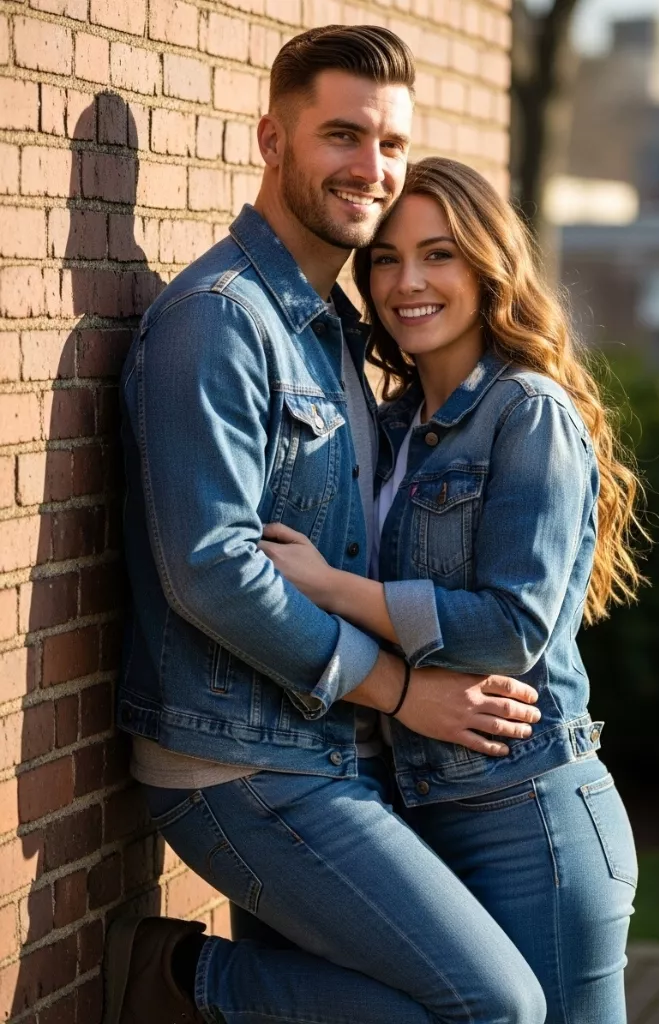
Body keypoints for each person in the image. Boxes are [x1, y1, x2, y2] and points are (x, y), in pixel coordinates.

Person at [106, 26, 548, 1024]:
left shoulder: (336, 328)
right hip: (239, 764)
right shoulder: (219, 318)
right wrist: (400, 689)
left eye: (391, 143)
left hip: (322, 751)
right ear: (272, 139)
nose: (373, 169)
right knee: (498, 1007)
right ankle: (177, 988)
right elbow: (213, 568)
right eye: (342, 136)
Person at [259, 156, 645, 1023]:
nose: (408, 282)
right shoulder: (389, 427)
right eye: (387, 259)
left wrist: (333, 588)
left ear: (487, 265)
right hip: (420, 801)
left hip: (531, 818)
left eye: (439, 255)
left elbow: (513, 626)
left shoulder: (527, 412)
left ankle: (195, 985)